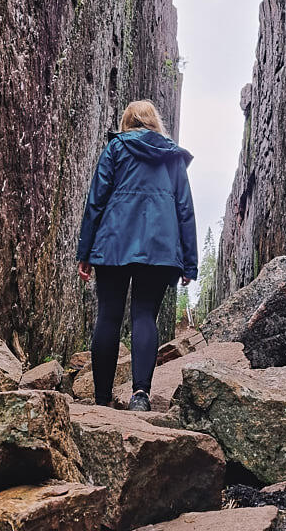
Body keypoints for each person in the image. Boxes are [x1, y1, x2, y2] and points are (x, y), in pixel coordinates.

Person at [75, 99, 198, 411]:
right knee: (145, 314)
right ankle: (140, 395)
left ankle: (102, 399)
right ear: (155, 123)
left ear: (126, 123)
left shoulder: (115, 150)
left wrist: (85, 251)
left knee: (109, 315)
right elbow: (185, 210)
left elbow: (96, 202)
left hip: (114, 242)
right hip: (158, 247)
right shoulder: (172, 158)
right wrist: (189, 261)